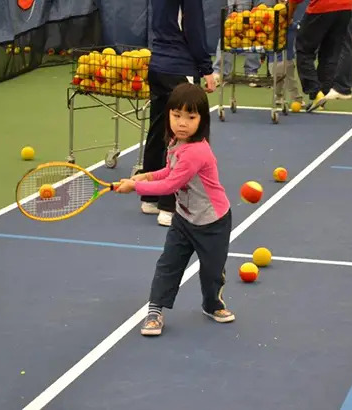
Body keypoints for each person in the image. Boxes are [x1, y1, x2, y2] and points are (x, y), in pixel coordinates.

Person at [115, 83, 234, 337]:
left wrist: (135, 187)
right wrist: (145, 176)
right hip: (184, 219)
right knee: (168, 264)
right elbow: (169, 171)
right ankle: (155, 310)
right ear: (167, 114)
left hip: (213, 222)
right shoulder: (174, 142)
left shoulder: (197, 152)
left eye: (190, 117)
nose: (182, 123)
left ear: (202, 120)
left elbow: (171, 184)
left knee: (212, 269)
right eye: (176, 115)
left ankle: (212, 304)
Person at [139, 0, 216, 227]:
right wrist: (206, 68)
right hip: (179, 68)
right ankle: (168, 206)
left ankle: (150, 198)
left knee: (159, 130)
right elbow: (194, 28)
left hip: (158, 67)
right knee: (183, 138)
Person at [287, 0, 352, 112]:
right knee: (330, 53)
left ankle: (316, 92)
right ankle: (322, 97)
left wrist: (289, 17)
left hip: (322, 7)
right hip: (345, 8)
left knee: (304, 50)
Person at [326, 0, 352, 100]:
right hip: (337, 5)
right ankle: (337, 85)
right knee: (338, 42)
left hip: (345, 4)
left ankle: (342, 88)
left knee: (344, 43)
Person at [268, 20, 305, 108]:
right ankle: (297, 99)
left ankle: (278, 98)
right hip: (286, 60)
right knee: (291, 81)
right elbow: (302, 27)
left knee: (277, 81)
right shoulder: (293, 26)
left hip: (272, 62)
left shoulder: (269, 28)